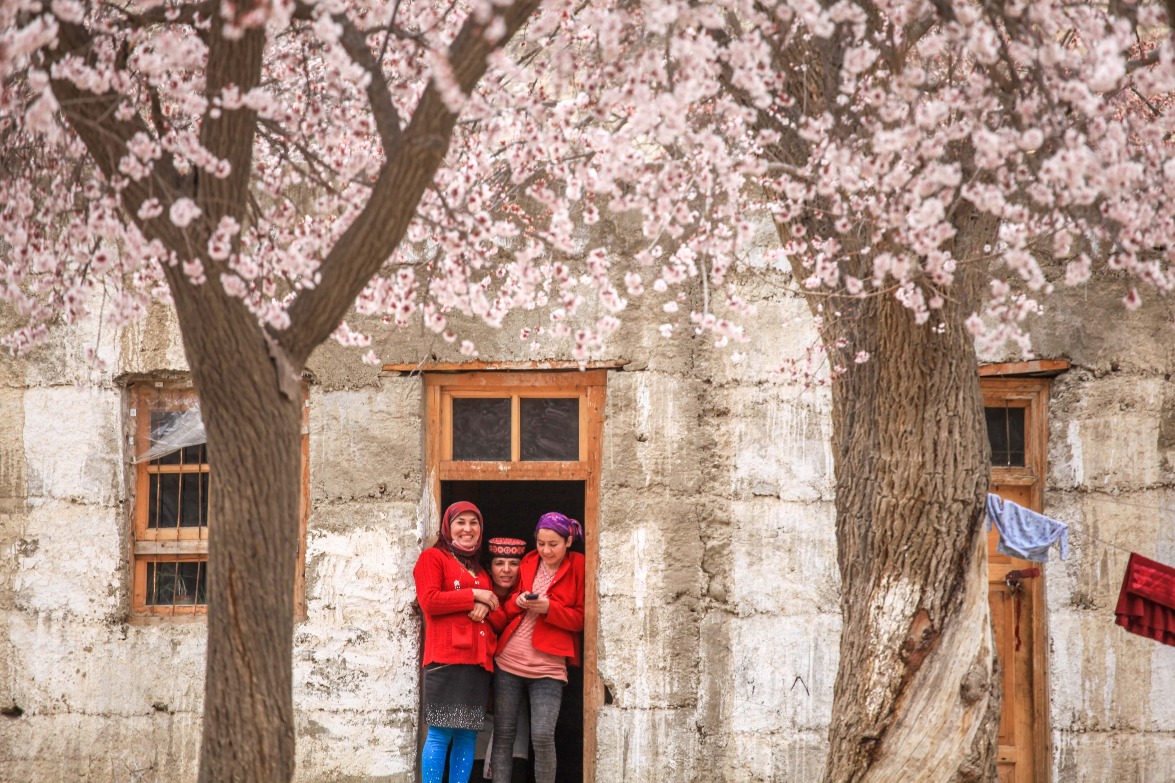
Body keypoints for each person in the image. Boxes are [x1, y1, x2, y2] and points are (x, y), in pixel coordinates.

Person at [488, 512, 585, 783]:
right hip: (509, 661)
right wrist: (518, 601)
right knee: (504, 733)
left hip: (549, 667)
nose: (546, 550)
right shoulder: (529, 560)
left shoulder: (580, 565)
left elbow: (581, 619)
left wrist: (550, 609)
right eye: (541, 543)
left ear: (568, 541)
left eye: (553, 544)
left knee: (542, 736)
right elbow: (508, 607)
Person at [414, 502, 500, 783]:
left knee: (467, 734)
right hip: (446, 659)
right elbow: (429, 601)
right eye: (460, 522)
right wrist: (474, 595)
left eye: (474, 523)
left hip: (477, 662)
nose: (467, 529)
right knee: (440, 733)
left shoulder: (480, 570)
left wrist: (484, 604)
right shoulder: (433, 558)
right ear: (447, 527)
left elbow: (492, 604)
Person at [473, 538, 531, 783]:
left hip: (516, 681)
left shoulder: (527, 598)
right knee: (475, 744)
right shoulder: (480, 594)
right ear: (490, 567)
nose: (506, 570)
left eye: (513, 563)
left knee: (514, 738)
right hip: (480, 682)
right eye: (499, 563)